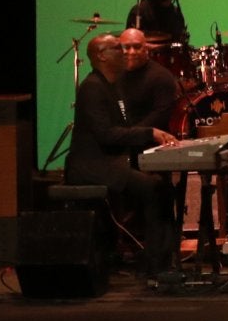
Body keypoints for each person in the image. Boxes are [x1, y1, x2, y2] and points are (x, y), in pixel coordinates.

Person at [64, 33, 179, 281]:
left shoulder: (113, 85)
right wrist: (150, 132)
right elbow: (106, 135)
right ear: (102, 56)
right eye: (118, 48)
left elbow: (121, 130)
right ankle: (156, 266)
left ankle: (161, 259)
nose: (125, 52)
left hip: (109, 162)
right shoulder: (92, 88)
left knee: (162, 187)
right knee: (154, 188)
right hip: (91, 166)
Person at [118, 27, 183, 134]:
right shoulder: (115, 74)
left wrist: (128, 136)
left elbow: (160, 117)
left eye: (137, 47)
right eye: (126, 47)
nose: (132, 52)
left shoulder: (161, 77)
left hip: (148, 143)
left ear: (146, 48)